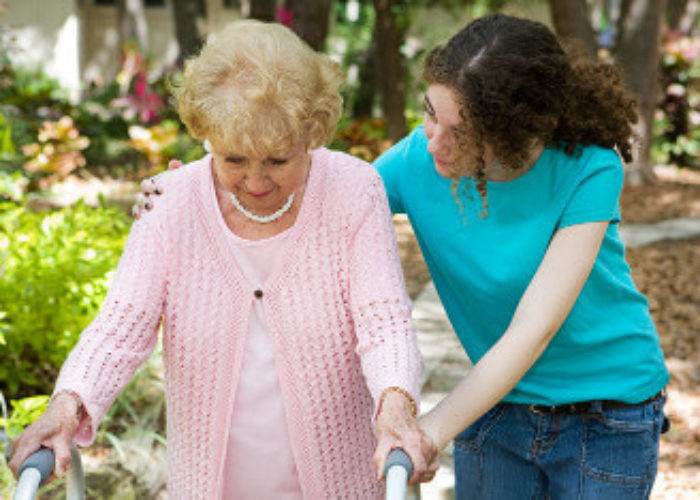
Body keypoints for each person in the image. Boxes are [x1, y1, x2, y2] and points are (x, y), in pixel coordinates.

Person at [136, 13, 670, 499]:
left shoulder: (589, 168)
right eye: (430, 114)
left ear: (511, 136)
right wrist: (187, 191)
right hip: (493, 409)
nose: (434, 140)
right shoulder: (419, 159)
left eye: (460, 134)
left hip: (607, 415)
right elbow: (318, 186)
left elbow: (533, 330)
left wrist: (426, 430)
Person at [9, 20, 439, 499]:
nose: (255, 182)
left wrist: (397, 409)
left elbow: (384, 322)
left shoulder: (355, 191)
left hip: (340, 482)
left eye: (277, 160)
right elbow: (119, 328)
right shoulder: (168, 204)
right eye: (233, 159)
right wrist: (65, 408)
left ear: (312, 133)